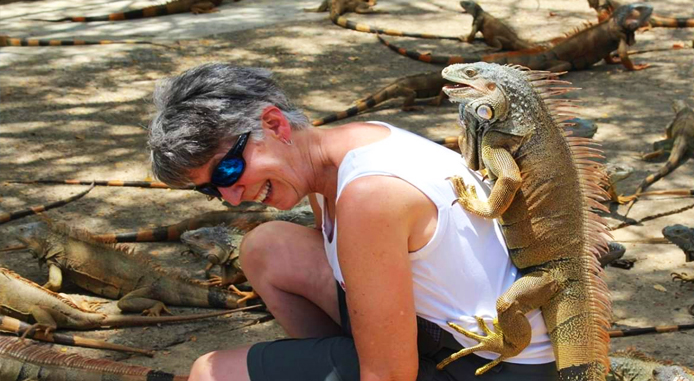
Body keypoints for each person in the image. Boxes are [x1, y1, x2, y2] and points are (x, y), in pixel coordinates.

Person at [148, 63, 557, 381]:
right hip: (455, 338)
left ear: (274, 125)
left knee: (209, 373)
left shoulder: (369, 195)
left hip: (490, 368)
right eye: (211, 190)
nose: (230, 196)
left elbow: (391, 375)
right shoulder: (348, 144)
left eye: (227, 170)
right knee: (266, 247)